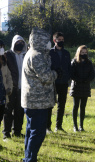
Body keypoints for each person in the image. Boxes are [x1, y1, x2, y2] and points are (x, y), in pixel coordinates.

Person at [21, 27, 59, 162]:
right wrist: (56, 73)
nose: (49, 43)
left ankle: (27, 157)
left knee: (31, 131)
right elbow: (46, 77)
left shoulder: (32, 52)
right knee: (37, 133)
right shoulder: (36, 56)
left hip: (32, 101)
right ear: (41, 41)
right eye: (47, 40)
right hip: (37, 102)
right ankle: (30, 159)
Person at [2, 35, 27, 140]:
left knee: (19, 111)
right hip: (11, 88)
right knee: (8, 111)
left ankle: (17, 131)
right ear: (13, 43)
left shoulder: (26, 55)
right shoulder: (7, 55)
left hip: (23, 88)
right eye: (17, 42)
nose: (19, 44)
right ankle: (6, 134)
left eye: (21, 42)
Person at [47, 32, 71, 133]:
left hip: (63, 82)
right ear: (54, 41)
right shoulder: (50, 53)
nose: (61, 41)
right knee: (50, 105)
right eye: (59, 40)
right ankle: (47, 127)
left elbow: (69, 67)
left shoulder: (66, 53)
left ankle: (59, 126)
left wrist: (67, 78)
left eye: (62, 40)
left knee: (62, 105)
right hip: (52, 82)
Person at [70, 45, 95, 132]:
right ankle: (75, 126)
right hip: (76, 87)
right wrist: (79, 80)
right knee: (75, 106)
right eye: (82, 52)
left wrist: (86, 80)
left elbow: (92, 74)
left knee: (83, 107)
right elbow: (71, 74)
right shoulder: (74, 62)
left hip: (85, 87)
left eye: (85, 53)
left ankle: (81, 126)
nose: (84, 54)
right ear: (79, 53)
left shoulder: (89, 63)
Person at [0, 40, 13, 127]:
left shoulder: (4, 61)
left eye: (2, 47)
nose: (1, 49)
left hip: (2, 97)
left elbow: (9, 77)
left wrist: (9, 88)